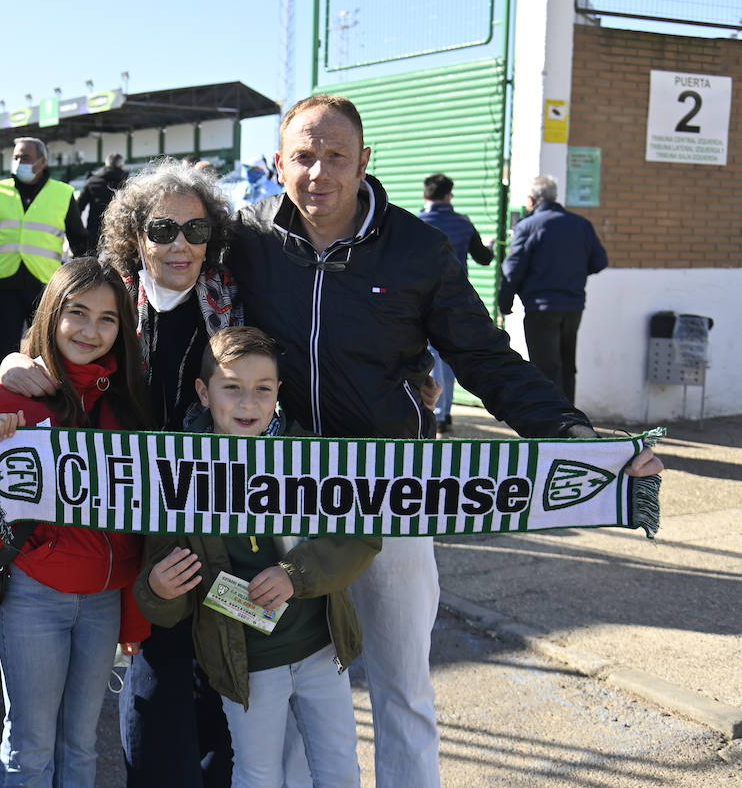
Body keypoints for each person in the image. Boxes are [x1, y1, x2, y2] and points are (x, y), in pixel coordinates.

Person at [228, 94, 662, 788]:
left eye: (336, 155)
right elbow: (162, 290)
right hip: (287, 499)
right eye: (303, 156)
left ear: (365, 162)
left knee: (401, 686)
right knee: (297, 693)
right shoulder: (247, 238)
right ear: (279, 163)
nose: (319, 172)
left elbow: (487, 357)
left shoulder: (416, 248)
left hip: (394, 494)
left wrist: (578, 441)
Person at [0, 158, 242, 787]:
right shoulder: (111, 304)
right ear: (135, 235)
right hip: (134, 539)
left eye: (195, 230)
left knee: (220, 688)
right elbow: (52, 345)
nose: (179, 245)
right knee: (154, 689)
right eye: (163, 229)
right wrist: (9, 365)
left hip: (215, 523)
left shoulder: (235, 310)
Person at [136, 326, 380, 788]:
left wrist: (296, 574)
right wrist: (158, 589)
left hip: (320, 650)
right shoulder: (177, 473)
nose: (248, 402)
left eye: (262, 389)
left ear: (278, 394)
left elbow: (359, 538)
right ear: (204, 393)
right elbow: (159, 589)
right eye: (232, 388)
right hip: (246, 665)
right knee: (257, 774)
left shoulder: (307, 454)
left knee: (340, 769)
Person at [0, 257, 153, 787]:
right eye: (77, 312)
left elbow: (135, 524)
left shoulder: (128, 404)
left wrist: (132, 617)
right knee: (31, 745)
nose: (90, 331)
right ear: (51, 314)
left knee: (82, 745)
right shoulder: (10, 398)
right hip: (34, 598)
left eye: (107, 319)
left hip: (105, 601)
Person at [498, 175, 608, 405]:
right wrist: (572, 276)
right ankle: (572, 422)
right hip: (573, 307)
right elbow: (599, 261)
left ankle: (553, 425)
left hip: (541, 308)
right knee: (568, 365)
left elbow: (514, 268)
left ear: (532, 200)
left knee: (545, 368)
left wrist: (505, 301)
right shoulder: (581, 224)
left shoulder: (527, 226)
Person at [0, 136, 89, 380]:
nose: (18, 162)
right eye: (15, 157)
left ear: (42, 162)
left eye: (25, 157)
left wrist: (85, 281)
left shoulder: (62, 193)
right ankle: (0, 403)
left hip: (44, 286)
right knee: (4, 352)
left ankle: (44, 412)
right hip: (4, 284)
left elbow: (79, 240)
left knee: (44, 352)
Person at [417, 172, 494, 433]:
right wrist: (491, 246)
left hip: (422, 298)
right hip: (456, 300)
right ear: (450, 195)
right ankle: (445, 412)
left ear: (425, 195)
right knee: (448, 356)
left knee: (429, 355)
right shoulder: (463, 223)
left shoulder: (417, 223)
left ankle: (434, 411)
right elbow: (483, 258)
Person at [76, 151, 129, 245]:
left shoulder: (92, 181)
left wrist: (81, 232)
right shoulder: (127, 182)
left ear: (106, 164)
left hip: (94, 231)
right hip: (119, 231)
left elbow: (78, 208)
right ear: (121, 166)